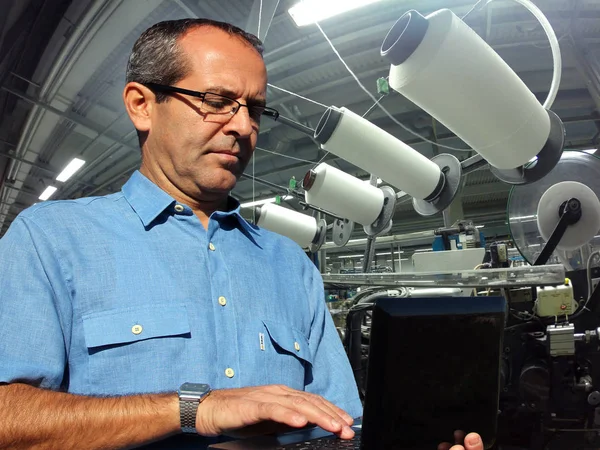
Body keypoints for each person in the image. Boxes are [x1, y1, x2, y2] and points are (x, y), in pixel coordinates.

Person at [0, 18, 483, 450]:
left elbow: (337, 429)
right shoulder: (51, 241)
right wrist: (196, 410)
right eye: (217, 101)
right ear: (142, 105)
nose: (243, 126)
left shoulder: (289, 264)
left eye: (254, 109)